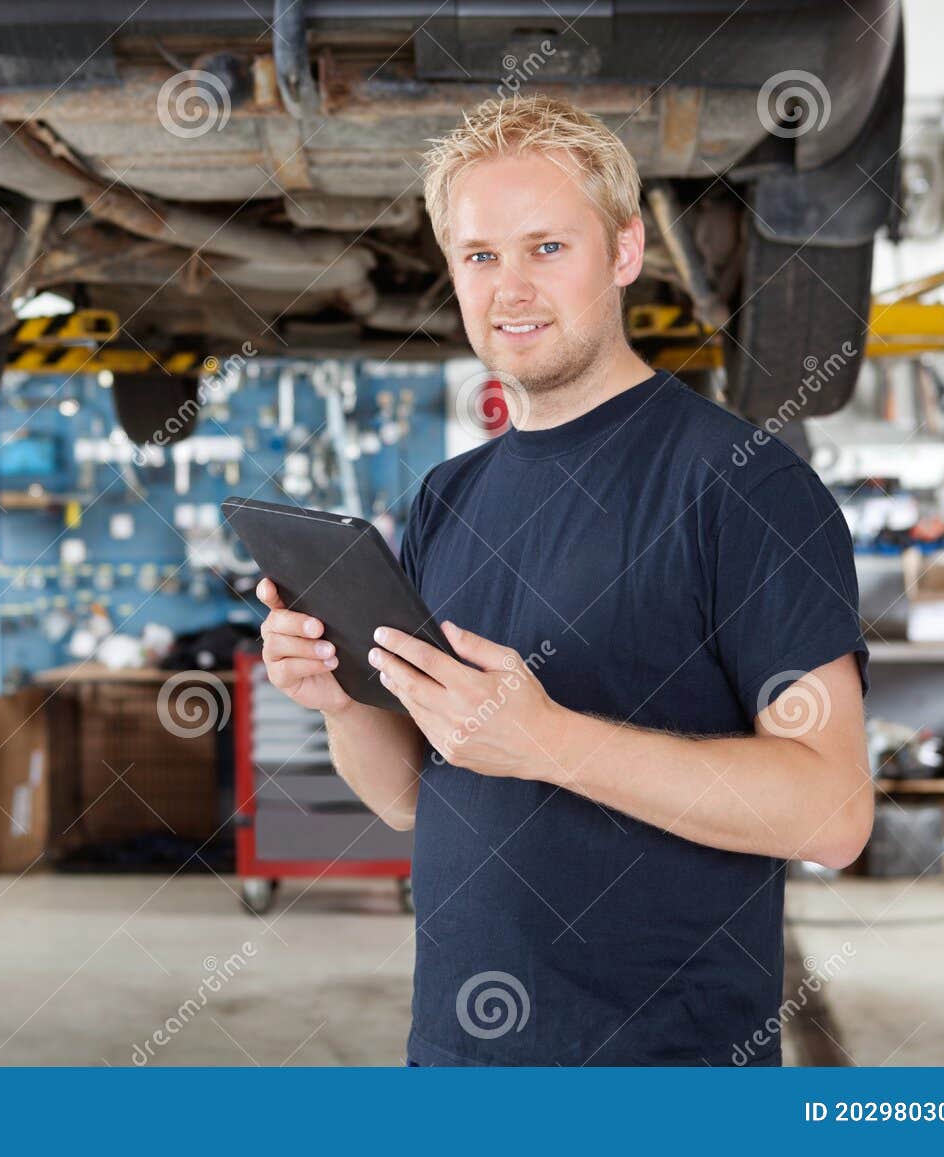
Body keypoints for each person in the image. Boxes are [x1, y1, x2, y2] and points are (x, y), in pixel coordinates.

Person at [255, 94, 870, 1066]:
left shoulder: (741, 485)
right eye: (479, 255)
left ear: (624, 251)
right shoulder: (448, 497)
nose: (510, 289)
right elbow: (414, 797)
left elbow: (831, 812)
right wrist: (333, 699)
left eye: (547, 247)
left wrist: (547, 740)